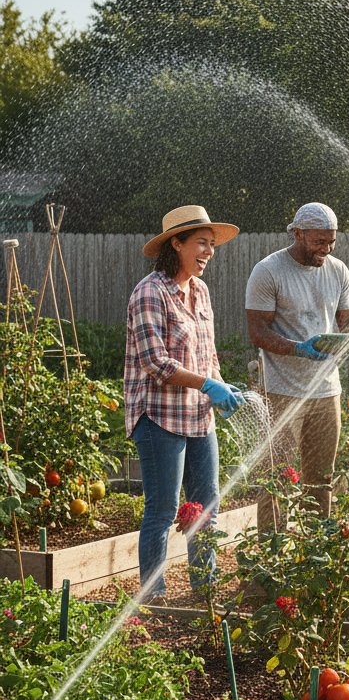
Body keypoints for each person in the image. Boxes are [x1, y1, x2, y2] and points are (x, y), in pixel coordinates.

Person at [124, 205, 245, 604]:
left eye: (212, 245)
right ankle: (153, 595)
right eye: (201, 243)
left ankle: (204, 588)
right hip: (159, 416)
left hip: (198, 417)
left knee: (206, 503)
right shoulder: (149, 292)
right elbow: (156, 363)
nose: (209, 251)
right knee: (163, 509)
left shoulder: (201, 291)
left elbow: (208, 355)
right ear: (176, 244)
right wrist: (207, 383)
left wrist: (221, 386)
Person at [245, 202, 349, 530]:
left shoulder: (338, 270)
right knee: (278, 477)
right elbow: (257, 330)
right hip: (282, 391)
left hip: (327, 392)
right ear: (298, 233)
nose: (326, 249)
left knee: (321, 478)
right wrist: (298, 349)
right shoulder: (269, 271)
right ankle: (271, 557)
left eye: (331, 242)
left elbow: (348, 320)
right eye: (319, 242)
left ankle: (314, 555)